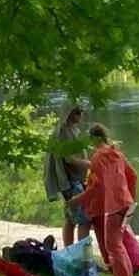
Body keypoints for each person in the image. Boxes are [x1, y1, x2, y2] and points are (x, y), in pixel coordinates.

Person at [74, 124, 138, 276]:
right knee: (116, 244)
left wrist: (77, 200)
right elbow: (133, 176)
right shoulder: (117, 153)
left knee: (114, 245)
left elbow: (96, 186)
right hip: (126, 203)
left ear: (95, 139)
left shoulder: (97, 158)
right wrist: (131, 198)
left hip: (115, 205)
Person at [42, 105, 91, 247]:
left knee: (70, 218)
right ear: (68, 114)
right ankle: (83, 255)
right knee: (84, 219)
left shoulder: (72, 130)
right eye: (77, 112)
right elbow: (69, 159)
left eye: (81, 111)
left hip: (74, 180)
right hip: (70, 181)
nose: (80, 114)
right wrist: (91, 164)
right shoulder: (63, 132)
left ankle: (69, 251)